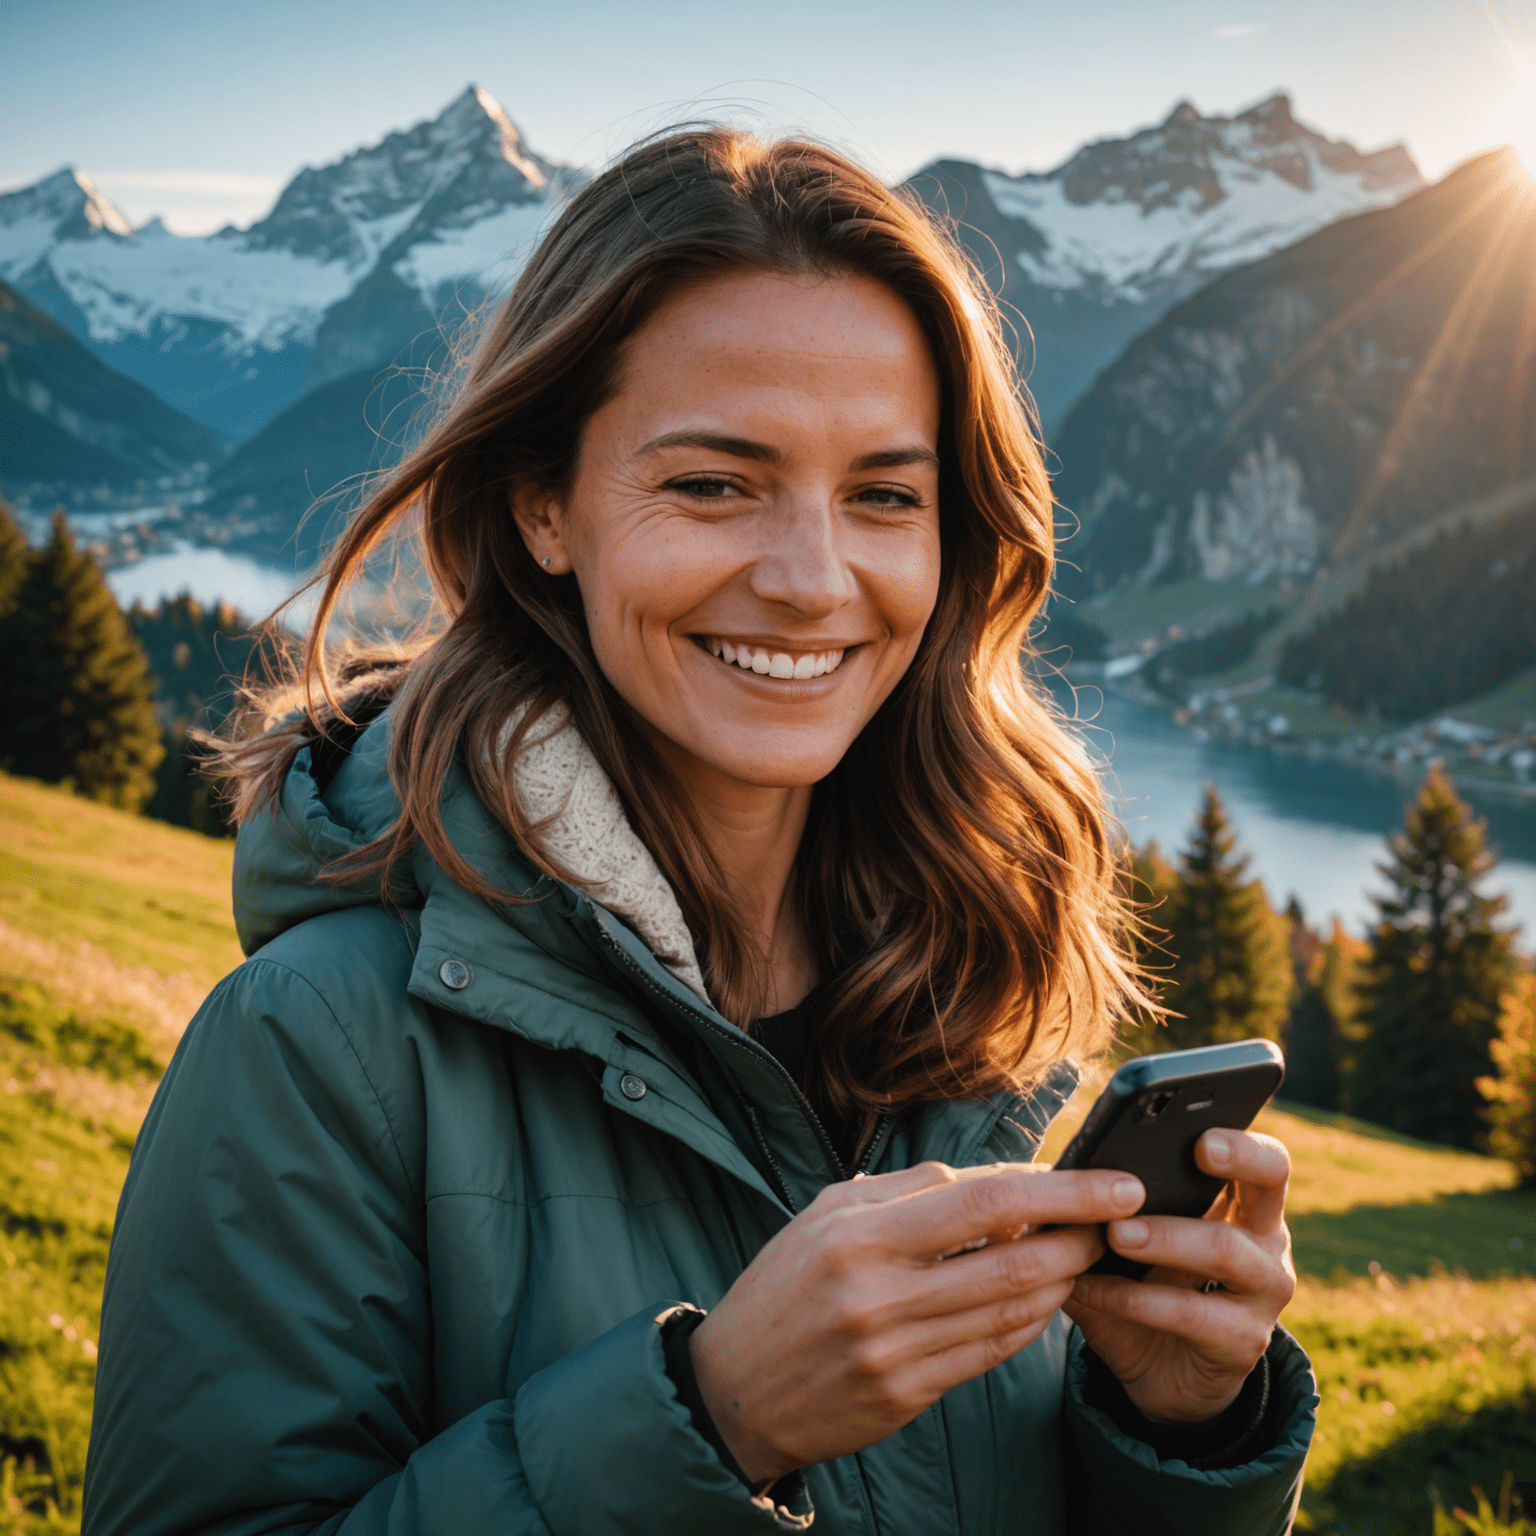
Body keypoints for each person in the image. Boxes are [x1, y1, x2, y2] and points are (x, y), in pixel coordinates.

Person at [82, 128, 1315, 1535]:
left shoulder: (982, 1009)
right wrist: (718, 1418)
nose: (811, 578)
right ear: (544, 505)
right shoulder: (317, 1049)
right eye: (715, 484)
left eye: (884, 497)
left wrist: (1180, 1423)